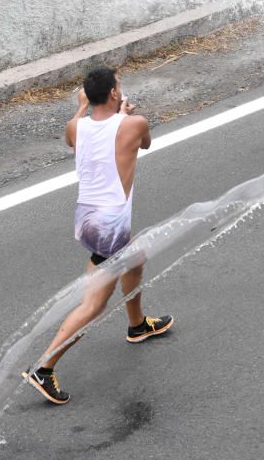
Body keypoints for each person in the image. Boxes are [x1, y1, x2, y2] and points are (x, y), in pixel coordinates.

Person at [22, 67, 173, 405]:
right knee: (94, 303)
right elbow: (144, 143)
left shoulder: (76, 126)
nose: (121, 88)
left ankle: (137, 325)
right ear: (115, 94)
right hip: (109, 224)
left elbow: (74, 134)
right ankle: (44, 368)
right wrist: (125, 115)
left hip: (86, 219)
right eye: (119, 85)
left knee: (136, 257)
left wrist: (83, 107)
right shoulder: (135, 124)